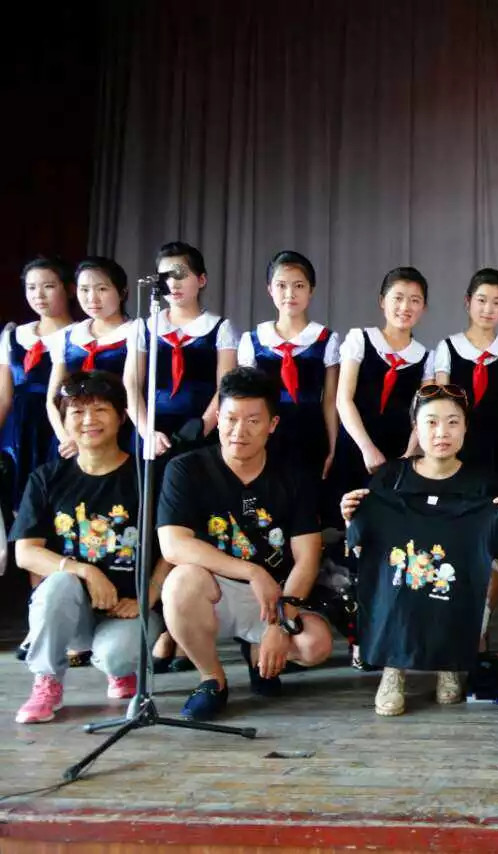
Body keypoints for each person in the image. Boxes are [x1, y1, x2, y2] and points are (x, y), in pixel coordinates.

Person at [157, 367, 332, 721]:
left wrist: (279, 625)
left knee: (315, 644)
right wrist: (252, 571)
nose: (239, 431)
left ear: (272, 424)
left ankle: (257, 653)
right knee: (179, 582)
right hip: (214, 590)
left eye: (253, 421)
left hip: (273, 599)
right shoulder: (185, 469)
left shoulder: (294, 476)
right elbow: (173, 545)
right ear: (218, 417)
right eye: (231, 419)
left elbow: (307, 557)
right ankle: (212, 680)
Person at [339, 383, 498, 715]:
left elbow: (497, 559)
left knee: (453, 588)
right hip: (399, 583)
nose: (442, 433)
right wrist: (351, 517)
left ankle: (449, 663)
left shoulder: (483, 483)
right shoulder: (391, 477)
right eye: (431, 422)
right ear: (416, 427)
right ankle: (393, 669)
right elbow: (365, 548)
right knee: (397, 586)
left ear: (465, 428)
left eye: (453, 422)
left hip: (453, 587)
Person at [13, 371, 161, 723]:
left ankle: (120, 671)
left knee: (116, 655)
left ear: (121, 416)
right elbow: (25, 552)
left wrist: (146, 598)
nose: (89, 420)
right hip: (71, 609)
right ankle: (47, 681)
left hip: (129, 609)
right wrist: (85, 570)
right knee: (59, 584)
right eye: (77, 412)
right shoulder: (47, 478)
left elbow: (173, 547)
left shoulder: (149, 477)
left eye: (100, 409)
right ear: (64, 422)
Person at [125, 241, 239, 457]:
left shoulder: (220, 328)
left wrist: (200, 429)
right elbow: (132, 385)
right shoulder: (145, 327)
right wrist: (147, 432)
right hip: (151, 433)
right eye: (166, 276)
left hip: (201, 431)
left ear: (201, 280)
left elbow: (225, 387)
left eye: (181, 275)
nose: (173, 284)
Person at [238, 250, 340, 486]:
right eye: (281, 285)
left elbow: (330, 400)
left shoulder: (326, 339)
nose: (290, 294)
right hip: (265, 433)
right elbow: (246, 399)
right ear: (269, 289)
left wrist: (334, 447)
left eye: (299, 286)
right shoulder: (253, 340)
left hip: (311, 434)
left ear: (311, 290)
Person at [332, 267, 432, 497]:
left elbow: (424, 412)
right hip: (355, 443)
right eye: (398, 298)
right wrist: (367, 448)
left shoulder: (426, 357)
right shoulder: (360, 339)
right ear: (382, 301)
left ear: (423, 308)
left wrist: (409, 454)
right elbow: (343, 399)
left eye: (415, 300)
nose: (405, 307)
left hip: (398, 451)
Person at [429, 268, 498, 499]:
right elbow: (441, 405)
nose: (488, 309)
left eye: (497, 303)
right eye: (481, 300)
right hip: (460, 445)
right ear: (468, 302)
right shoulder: (448, 347)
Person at [1, 256, 75, 515]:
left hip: (58, 426)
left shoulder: (80, 335)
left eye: (48, 286)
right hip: (18, 429)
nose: (38, 295)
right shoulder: (13, 335)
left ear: (69, 289)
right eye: (31, 287)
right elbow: (3, 397)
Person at [46, 258, 137, 456]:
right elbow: (53, 398)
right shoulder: (68, 336)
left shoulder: (137, 332)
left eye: (102, 289)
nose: (92, 298)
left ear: (123, 292)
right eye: (84, 290)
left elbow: (135, 392)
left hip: (120, 432)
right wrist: (67, 438)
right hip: (73, 436)